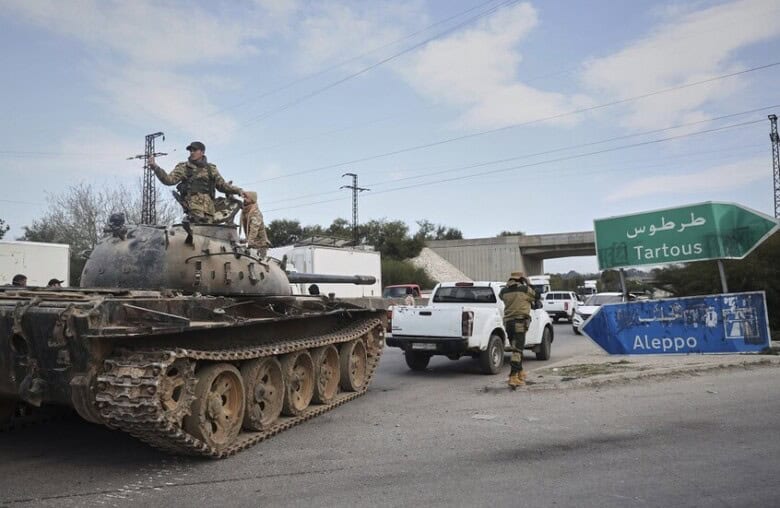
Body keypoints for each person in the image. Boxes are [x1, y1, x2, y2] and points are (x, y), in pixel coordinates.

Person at [148, 141, 243, 223]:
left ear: (202, 152)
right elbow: (169, 180)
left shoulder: (211, 169)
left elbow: (222, 186)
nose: (192, 152)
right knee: (196, 232)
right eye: (190, 151)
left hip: (209, 209)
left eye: (195, 150)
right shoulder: (184, 167)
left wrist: (238, 191)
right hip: (193, 208)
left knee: (208, 235)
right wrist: (155, 168)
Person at [499, 271, 536, 389]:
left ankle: (520, 373)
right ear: (521, 280)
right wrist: (529, 283)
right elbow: (537, 295)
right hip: (519, 322)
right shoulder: (525, 290)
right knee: (517, 351)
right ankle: (513, 377)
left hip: (508, 323)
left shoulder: (504, 291)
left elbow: (501, 296)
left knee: (515, 348)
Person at [241, 191, 270, 258]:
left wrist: (250, 241)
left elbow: (254, 228)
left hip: (260, 245)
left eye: (247, 198)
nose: (244, 199)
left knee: (260, 263)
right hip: (253, 244)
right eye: (244, 197)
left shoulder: (255, 212)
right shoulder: (245, 210)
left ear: (252, 199)